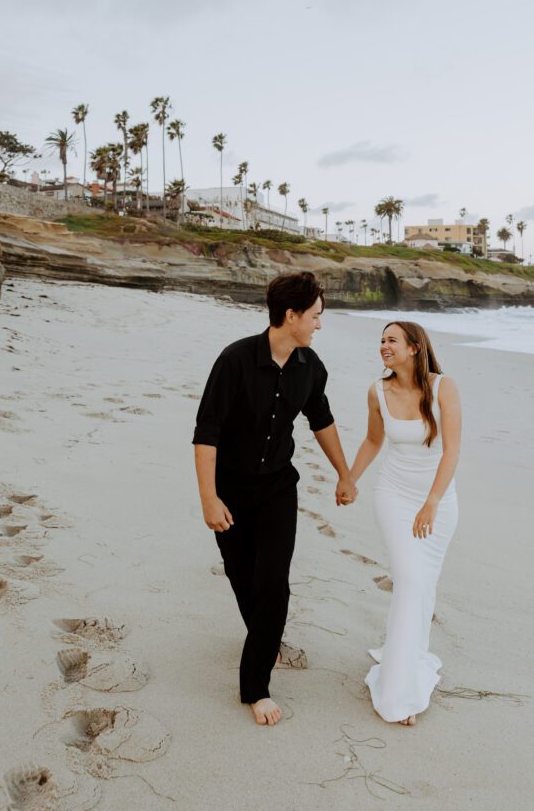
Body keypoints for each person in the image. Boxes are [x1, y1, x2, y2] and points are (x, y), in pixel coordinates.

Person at [193, 271, 357, 726]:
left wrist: (344, 473)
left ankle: (256, 685)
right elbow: (206, 433)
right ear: (291, 315)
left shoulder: (311, 366)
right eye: (316, 316)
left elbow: (320, 419)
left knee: (274, 583)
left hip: (278, 487)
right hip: (230, 487)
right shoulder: (236, 360)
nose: (319, 325)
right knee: (242, 575)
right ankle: (266, 637)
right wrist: (209, 498)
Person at [349, 321, 461, 725]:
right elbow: (373, 441)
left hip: (438, 502)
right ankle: (398, 690)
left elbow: (452, 450)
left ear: (414, 347)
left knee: (423, 585)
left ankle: (409, 659)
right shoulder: (377, 391)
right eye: (380, 340)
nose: (383, 346)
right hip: (394, 497)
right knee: (410, 582)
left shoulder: (444, 387)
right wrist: (349, 477)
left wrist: (432, 502)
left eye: (391, 340)